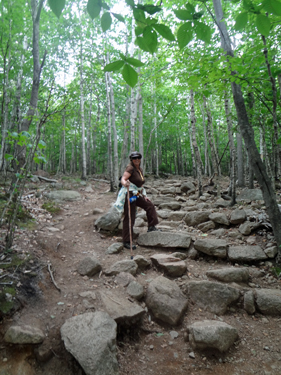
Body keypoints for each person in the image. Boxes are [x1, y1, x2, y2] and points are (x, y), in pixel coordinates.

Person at [114, 151, 159, 250]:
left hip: (136, 194)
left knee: (149, 205)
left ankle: (151, 226)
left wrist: (144, 195)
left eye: (138, 158)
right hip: (129, 194)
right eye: (134, 158)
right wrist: (125, 183)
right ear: (131, 159)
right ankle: (126, 241)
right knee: (130, 216)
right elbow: (123, 178)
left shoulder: (140, 169)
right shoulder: (130, 168)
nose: (137, 160)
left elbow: (140, 184)